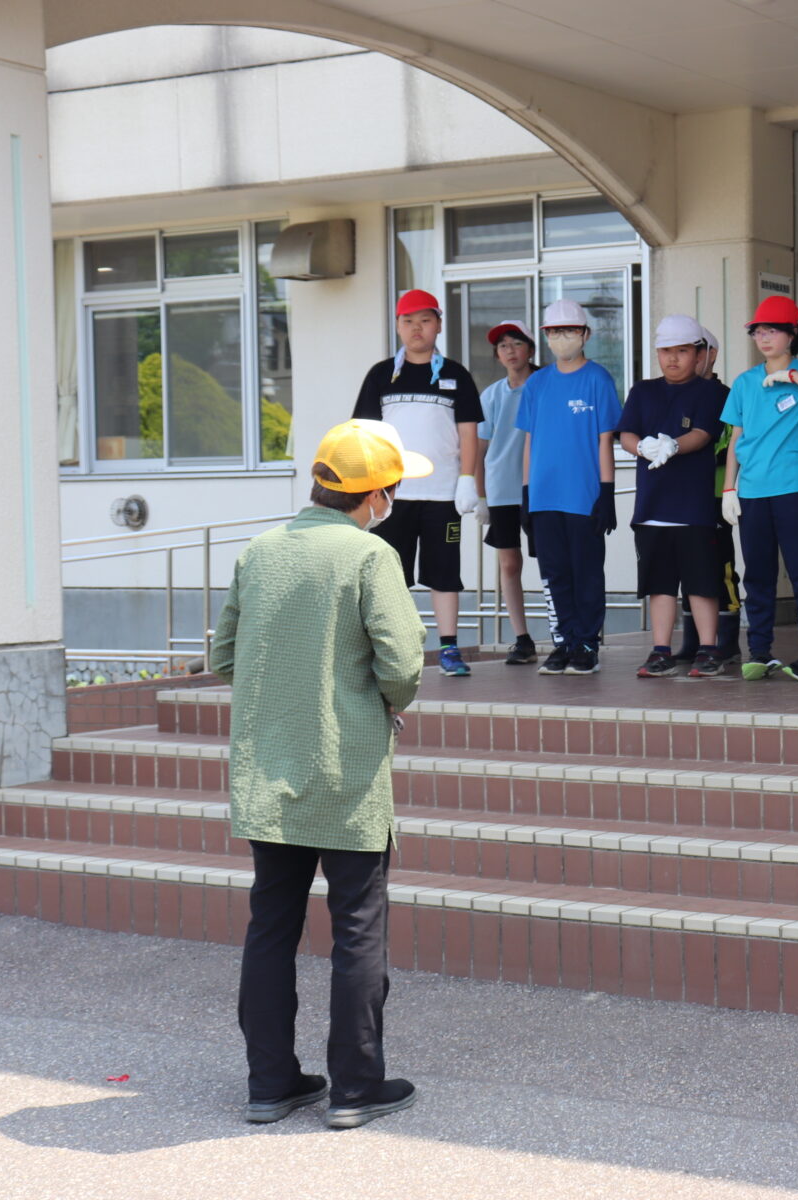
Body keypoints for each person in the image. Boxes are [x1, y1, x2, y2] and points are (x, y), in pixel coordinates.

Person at [213, 419, 428, 1131]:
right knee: (357, 926)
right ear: (377, 494)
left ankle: (270, 1082)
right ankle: (354, 1088)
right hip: (348, 769)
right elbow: (402, 665)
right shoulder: (371, 556)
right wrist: (386, 706)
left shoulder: (259, 551)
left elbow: (223, 657)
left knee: (270, 924)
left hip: (268, 768)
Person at [351, 289, 482, 677]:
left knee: (445, 573)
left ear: (438, 324)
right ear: (397, 326)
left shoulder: (455, 374)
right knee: (391, 575)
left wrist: (468, 479)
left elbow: (469, 433)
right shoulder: (381, 375)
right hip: (393, 495)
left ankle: (449, 649)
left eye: (424, 320)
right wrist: (369, 487)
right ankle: (393, 648)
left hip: (444, 494)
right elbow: (365, 433)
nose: (416, 329)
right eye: (407, 321)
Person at [721, 296, 798, 682]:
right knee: (757, 574)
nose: (763, 337)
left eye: (772, 330)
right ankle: (759, 651)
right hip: (753, 492)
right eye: (758, 330)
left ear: (792, 333)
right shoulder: (744, 382)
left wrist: (790, 376)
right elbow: (735, 440)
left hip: (795, 488)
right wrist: (729, 489)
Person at [617, 315, 728, 678]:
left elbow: (704, 433)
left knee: (701, 581)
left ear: (699, 355)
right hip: (651, 506)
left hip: (693, 506)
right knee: (659, 583)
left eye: (682, 351)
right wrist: (644, 448)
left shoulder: (710, 391)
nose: (673, 359)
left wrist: (673, 445)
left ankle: (709, 649)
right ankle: (660, 650)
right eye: (666, 351)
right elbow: (626, 434)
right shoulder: (642, 391)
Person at [520, 297, 622, 676]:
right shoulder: (537, 382)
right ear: (546, 337)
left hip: (584, 495)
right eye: (555, 331)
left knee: (587, 572)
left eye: (570, 330)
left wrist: (607, 492)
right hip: (544, 496)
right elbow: (530, 441)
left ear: (586, 334)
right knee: (554, 573)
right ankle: (562, 641)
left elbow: (604, 440)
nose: (563, 337)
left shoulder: (597, 378)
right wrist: (526, 492)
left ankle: (586, 643)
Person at [672, 323, 744, 666]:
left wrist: (694, 448)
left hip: (716, 493)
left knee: (721, 567)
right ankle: (694, 640)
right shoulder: (676, 394)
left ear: (711, 355)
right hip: (683, 494)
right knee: (688, 566)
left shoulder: (727, 394)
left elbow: (731, 444)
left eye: (698, 351)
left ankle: (727, 640)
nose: (692, 358)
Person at [474, 318, 545, 665]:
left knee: (550, 560)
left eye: (516, 343)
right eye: (503, 346)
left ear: (530, 350)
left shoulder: (545, 385)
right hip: (502, 488)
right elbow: (479, 449)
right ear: (497, 355)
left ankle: (563, 634)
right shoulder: (491, 395)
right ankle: (522, 638)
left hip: (542, 487)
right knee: (509, 563)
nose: (510, 351)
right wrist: (481, 496)